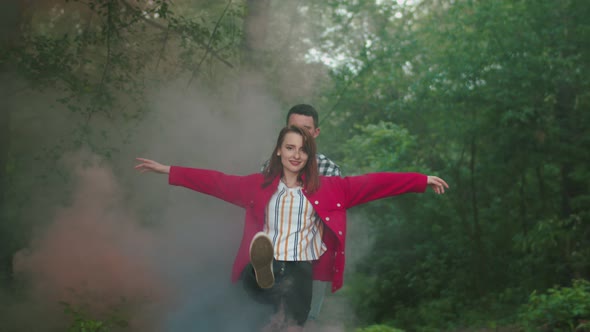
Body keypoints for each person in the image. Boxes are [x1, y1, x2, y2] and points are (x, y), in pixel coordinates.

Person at [135, 126, 448, 328]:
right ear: (278, 151)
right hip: (264, 264)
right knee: (262, 282)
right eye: (289, 148)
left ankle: (275, 291)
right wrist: (168, 170)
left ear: (309, 155)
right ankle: (265, 273)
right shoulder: (256, 186)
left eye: (302, 149)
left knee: (292, 325)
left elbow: (375, 183)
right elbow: (215, 181)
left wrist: (421, 181)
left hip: (301, 270)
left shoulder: (330, 188)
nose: (296, 154)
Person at [261, 104, 340, 321]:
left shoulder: (330, 171)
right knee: (270, 319)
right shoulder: (269, 169)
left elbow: (332, 220)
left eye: (306, 129)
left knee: (303, 321)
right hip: (274, 259)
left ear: (316, 133)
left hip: (311, 261)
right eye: (294, 128)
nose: (300, 135)